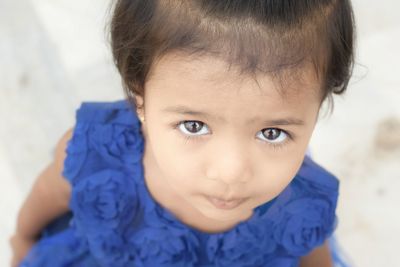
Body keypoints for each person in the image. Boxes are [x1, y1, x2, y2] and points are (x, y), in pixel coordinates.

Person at [10, 0, 356, 266]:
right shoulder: (96, 151)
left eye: (272, 133)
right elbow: (47, 195)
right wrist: (22, 242)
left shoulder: (306, 205)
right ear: (140, 97)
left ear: (318, 106)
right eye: (194, 126)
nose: (231, 172)